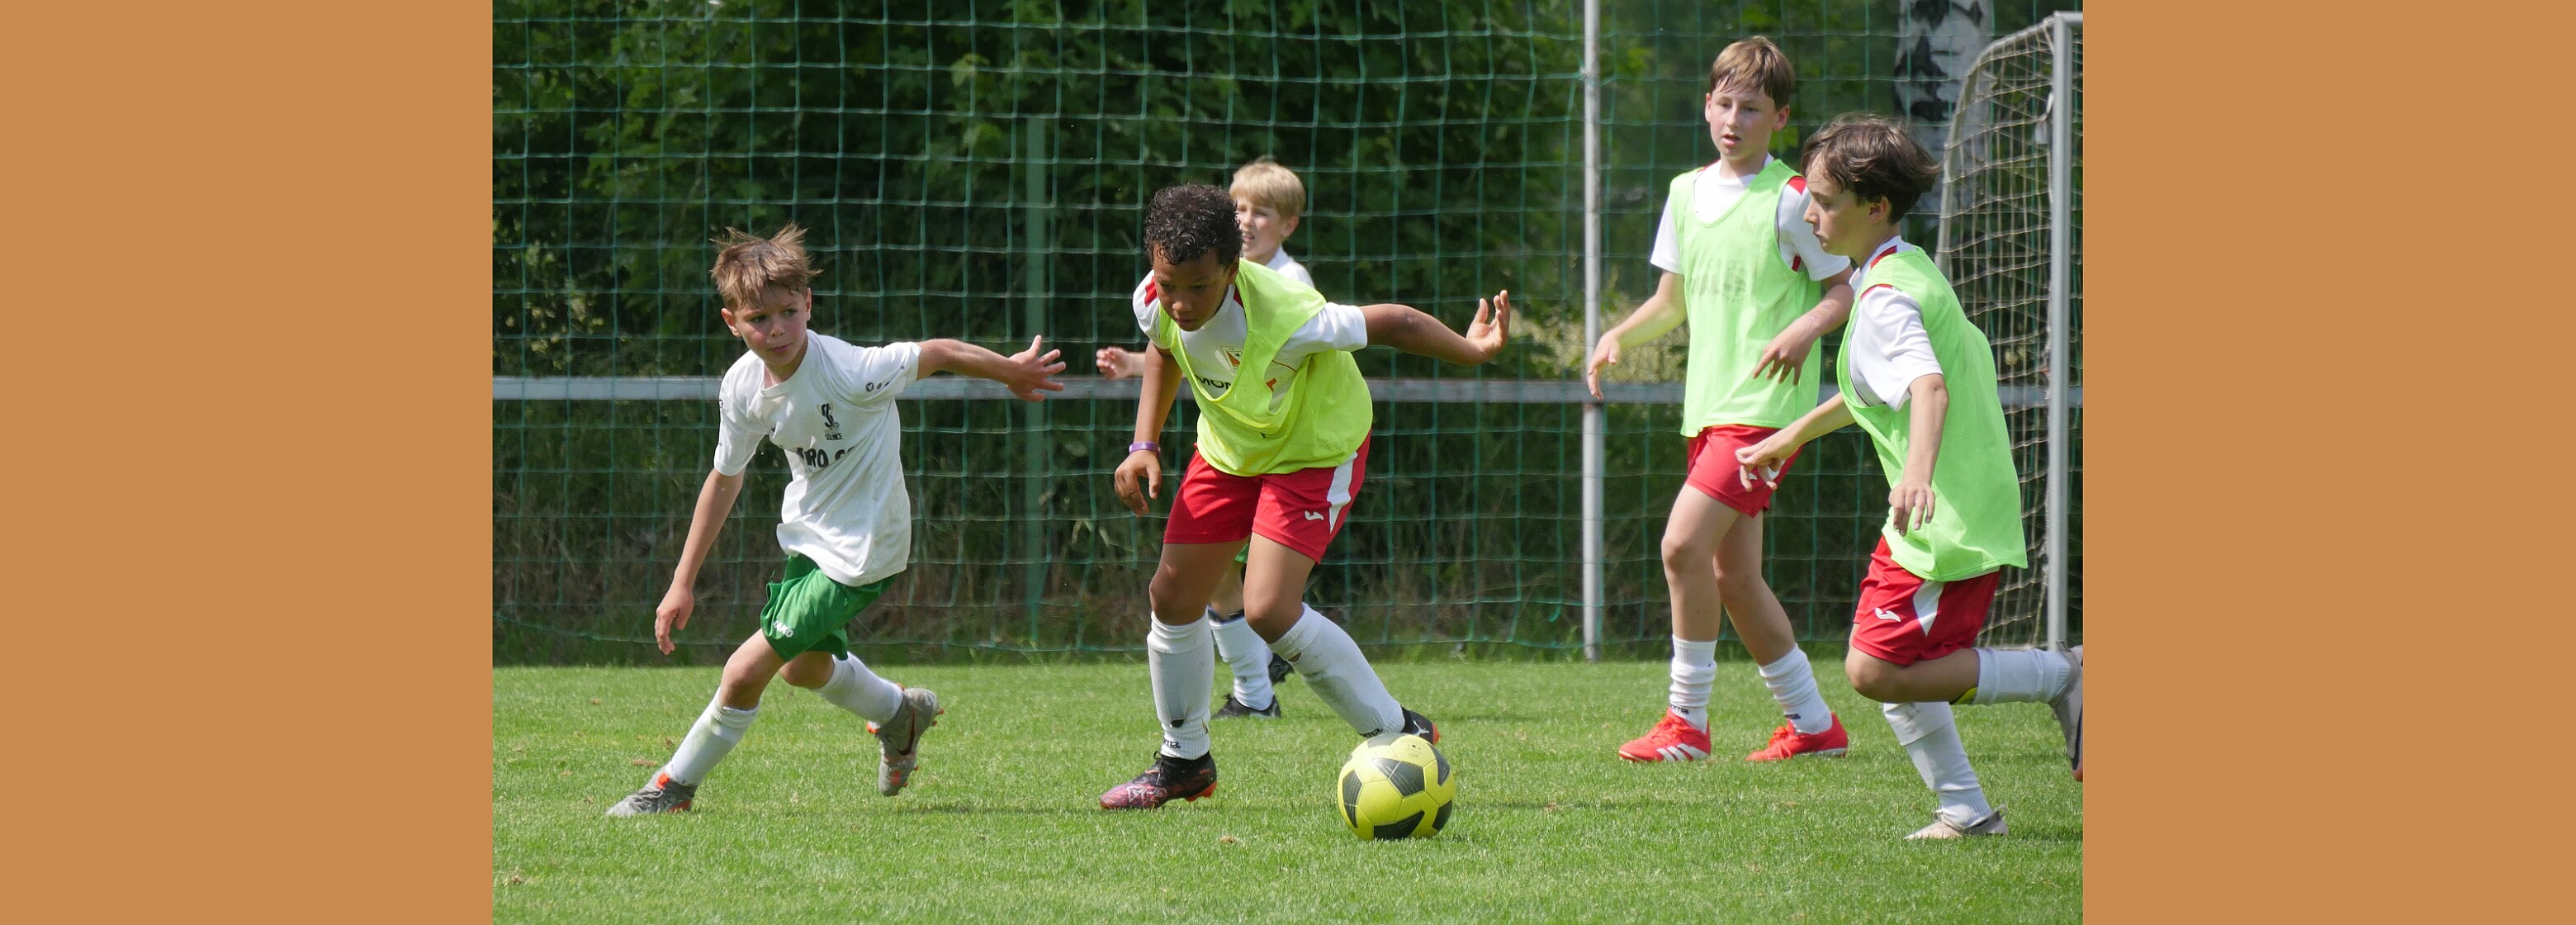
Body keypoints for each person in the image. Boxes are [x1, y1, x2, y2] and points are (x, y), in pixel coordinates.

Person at [607, 224, 1068, 816]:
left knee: (744, 670)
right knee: (803, 668)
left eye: (788, 313)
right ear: (731, 322)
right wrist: (682, 581)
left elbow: (937, 352)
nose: (777, 329)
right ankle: (900, 714)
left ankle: (671, 789)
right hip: (811, 539)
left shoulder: (851, 370)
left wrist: (1011, 371)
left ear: (809, 304)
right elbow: (725, 478)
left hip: (867, 544)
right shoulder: (742, 386)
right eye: (758, 319)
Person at [1098, 183, 1511, 809]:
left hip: (1315, 451)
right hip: (1231, 449)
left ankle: (1399, 732)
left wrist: (1472, 349)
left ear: (1233, 269)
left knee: (1268, 608)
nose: (1180, 302)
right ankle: (1184, 762)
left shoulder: (1289, 313)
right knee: (1173, 596)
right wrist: (1143, 443)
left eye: (1199, 287)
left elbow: (1396, 322)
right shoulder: (1156, 298)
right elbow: (1163, 349)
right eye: (1168, 283)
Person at [1736, 115, 2082, 839]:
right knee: (1891, 658)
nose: (1810, 215)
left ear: (1876, 207)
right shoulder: (1900, 268)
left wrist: (1916, 476)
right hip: (1937, 517)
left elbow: (1928, 387)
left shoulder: (1887, 298)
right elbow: (1880, 389)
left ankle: (2064, 675)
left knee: (1873, 669)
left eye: (1824, 201)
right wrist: (1792, 435)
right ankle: (1965, 811)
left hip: (1943, 518)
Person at [1584, 36, 1859, 764]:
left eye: (1753, 109)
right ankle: (1813, 724)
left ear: (1781, 119)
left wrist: (1806, 327)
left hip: (1763, 414)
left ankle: (1687, 723)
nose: (1735, 120)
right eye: (1726, 104)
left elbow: (1845, 288)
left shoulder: (1793, 199)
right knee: (1733, 578)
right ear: (1707, 105)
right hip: (1707, 410)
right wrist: (1619, 334)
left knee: (1681, 547)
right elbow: (1669, 301)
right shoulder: (1685, 192)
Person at [1097, 157, 1319, 721]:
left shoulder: (1289, 286)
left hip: (1282, 456)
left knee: (1256, 594)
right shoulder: (1193, 287)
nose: (1247, 221)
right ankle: (1255, 691)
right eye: (1239, 209)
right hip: (1227, 450)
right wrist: (1135, 365)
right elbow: (1179, 348)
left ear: (1288, 225)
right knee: (1216, 576)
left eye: (1262, 213)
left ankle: (1264, 673)